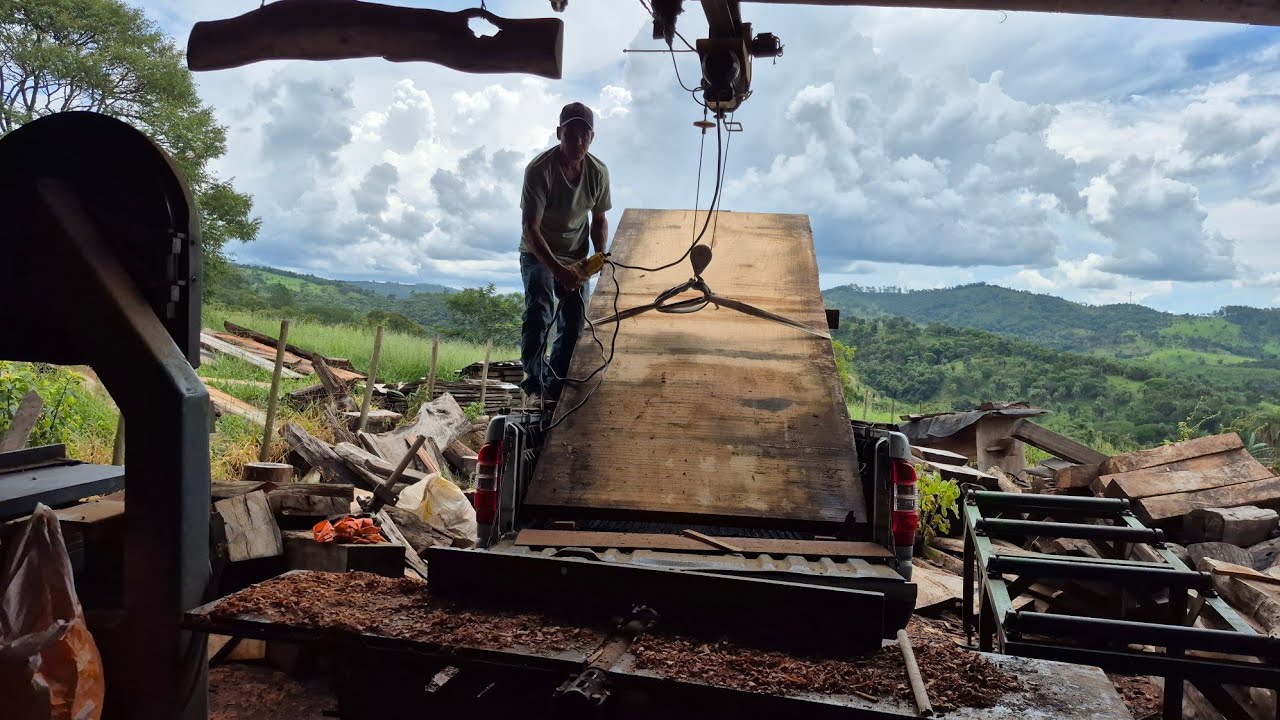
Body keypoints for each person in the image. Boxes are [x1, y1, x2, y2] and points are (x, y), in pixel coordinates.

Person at [518, 101, 612, 407]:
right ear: (559, 133)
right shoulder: (539, 171)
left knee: (574, 323)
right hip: (539, 252)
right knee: (540, 309)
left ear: (592, 137)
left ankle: (555, 388)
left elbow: (599, 219)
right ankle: (534, 386)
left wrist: (601, 256)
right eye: (571, 135)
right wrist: (558, 270)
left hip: (576, 256)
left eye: (584, 136)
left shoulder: (597, 172)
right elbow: (530, 228)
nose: (578, 142)